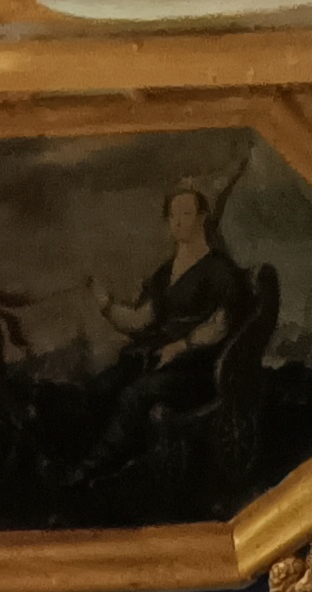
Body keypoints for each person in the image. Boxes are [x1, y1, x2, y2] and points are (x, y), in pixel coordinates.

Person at [74, 182, 252, 494]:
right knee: (101, 387)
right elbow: (141, 320)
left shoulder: (220, 270)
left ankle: (89, 471)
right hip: (160, 360)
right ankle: (99, 466)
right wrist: (105, 303)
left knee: (135, 396)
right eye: (173, 215)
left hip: (197, 369)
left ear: (202, 218)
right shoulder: (165, 273)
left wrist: (183, 345)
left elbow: (220, 324)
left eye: (186, 213)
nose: (178, 221)